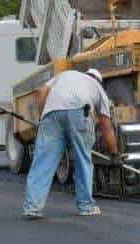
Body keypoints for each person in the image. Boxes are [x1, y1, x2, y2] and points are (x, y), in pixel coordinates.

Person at [23, 68, 120, 219]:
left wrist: (43, 118)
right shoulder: (97, 88)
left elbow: (42, 91)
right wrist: (114, 153)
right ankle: (86, 206)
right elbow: (105, 125)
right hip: (80, 111)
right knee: (83, 159)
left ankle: (32, 207)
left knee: (42, 161)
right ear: (98, 80)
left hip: (52, 114)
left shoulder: (65, 75)